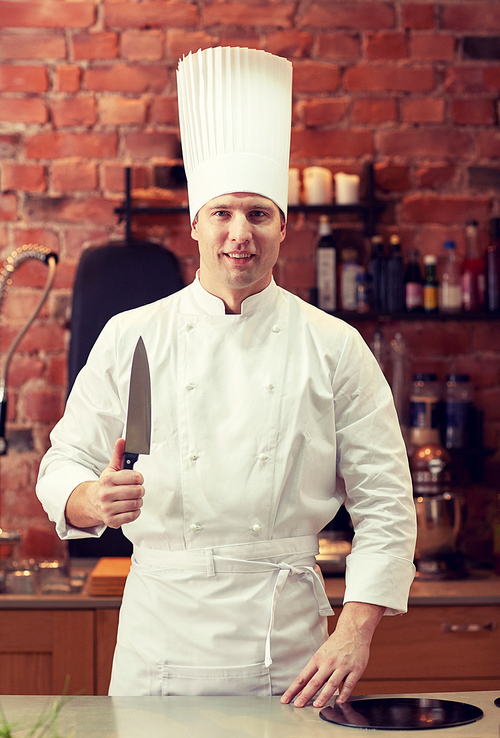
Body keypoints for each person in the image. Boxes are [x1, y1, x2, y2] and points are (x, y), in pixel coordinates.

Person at [36, 47, 416, 707]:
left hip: (293, 649)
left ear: (283, 229)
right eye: (223, 213)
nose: (240, 232)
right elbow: (62, 462)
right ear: (195, 225)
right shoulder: (134, 336)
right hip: (160, 641)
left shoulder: (333, 346)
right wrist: (88, 501)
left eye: (258, 214)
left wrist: (357, 628)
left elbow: (386, 502)